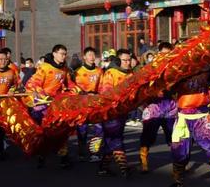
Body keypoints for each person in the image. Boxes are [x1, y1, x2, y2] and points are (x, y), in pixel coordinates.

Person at [167, 67, 210, 187]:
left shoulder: (208, 71)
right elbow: (169, 90)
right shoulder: (178, 72)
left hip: (201, 117)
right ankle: (178, 181)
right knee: (179, 152)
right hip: (183, 118)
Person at [26, 44, 76, 168]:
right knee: (46, 133)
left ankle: (64, 157)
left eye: (65, 54)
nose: (63, 56)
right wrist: (43, 96)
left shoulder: (64, 69)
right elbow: (32, 84)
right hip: (43, 105)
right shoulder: (44, 67)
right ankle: (41, 156)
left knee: (62, 130)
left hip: (57, 104)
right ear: (54, 53)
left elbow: (69, 83)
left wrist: (76, 91)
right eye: (61, 53)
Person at [139, 42, 177, 174]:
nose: (165, 56)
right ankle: (143, 159)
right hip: (153, 107)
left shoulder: (176, 68)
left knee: (173, 137)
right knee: (148, 136)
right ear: (158, 53)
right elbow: (143, 87)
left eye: (168, 53)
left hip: (170, 108)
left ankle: (177, 165)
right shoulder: (151, 68)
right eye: (163, 53)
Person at [97, 49, 133, 177]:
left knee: (110, 139)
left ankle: (103, 167)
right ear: (118, 60)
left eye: (129, 60)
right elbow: (106, 92)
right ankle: (124, 167)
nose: (128, 63)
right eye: (124, 60)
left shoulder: (130, 74)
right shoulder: (111, 73)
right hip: (110, 112)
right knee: (116, 138)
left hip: (122, 112)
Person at [73, 47, 103, 162]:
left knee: (99, 129)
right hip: (82, 104)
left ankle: (94, 152)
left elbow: (102, 86)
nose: (92, 57)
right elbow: (74, 88)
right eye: (89, 55)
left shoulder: (99, 71)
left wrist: (98, 96)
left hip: (96, 103)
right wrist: (84, 94)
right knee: (82, 129)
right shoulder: (78, 72)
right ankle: (81, 151)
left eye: (93, 54)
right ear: (84, 57)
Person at [0, 50, 18, 160]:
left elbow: (16, 85)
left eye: (5, 59)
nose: (3, 62)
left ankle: (1, 152)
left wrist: (12, 90)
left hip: (4, 105)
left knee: (1, 130)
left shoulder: (11, 72)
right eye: (0, 59)